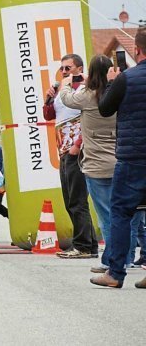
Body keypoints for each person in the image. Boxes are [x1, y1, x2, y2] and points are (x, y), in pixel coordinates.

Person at [59, 55, 127, 272]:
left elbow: (67, 98)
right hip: (119, 159)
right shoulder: (118, 93)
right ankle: (123, 258)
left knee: (106, 217)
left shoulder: (88, 96)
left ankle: (111, 261)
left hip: (96, 164)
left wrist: (67, 81)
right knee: (121, 214)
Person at [91, 27, 146, 289]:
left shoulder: (128, 78)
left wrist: (113, 81)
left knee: (122, 212)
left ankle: (115, 273)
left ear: (137, 50)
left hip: (133, 157)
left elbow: (104, 109)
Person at [44, 53, 97, 259]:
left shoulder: (84, 89)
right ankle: (89, 244)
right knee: (70, 199)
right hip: (63, 148)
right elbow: (49, 115)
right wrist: (49, 98)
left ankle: (82, 245)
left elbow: (88, 118)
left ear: (79, 69)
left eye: (68, 68)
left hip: (77, 149)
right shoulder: (61, 90)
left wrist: (78, 145)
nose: (64, 72)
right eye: (62, 68)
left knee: (77, 199)